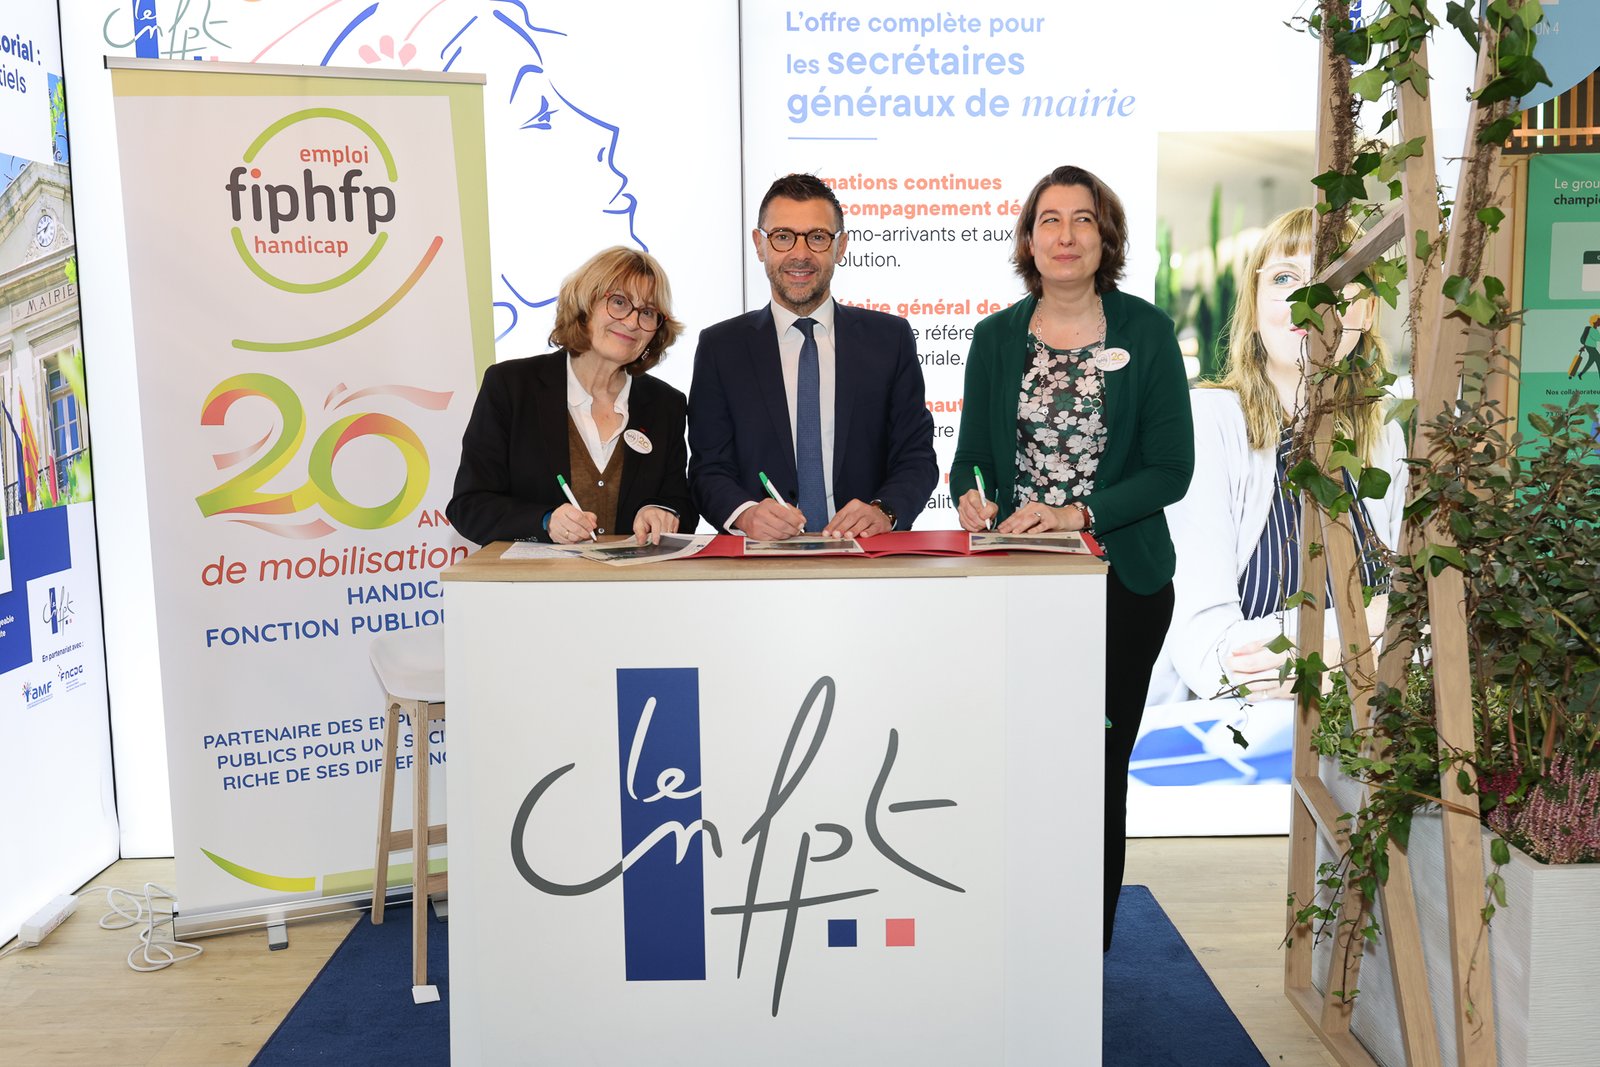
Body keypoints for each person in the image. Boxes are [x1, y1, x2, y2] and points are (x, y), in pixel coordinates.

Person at [948, 165, 1194, 951]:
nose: (1065, 235)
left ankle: (1085, 948)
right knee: (1019, 762)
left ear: (1104, 236)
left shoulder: (1146, 332)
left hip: (1122, 582)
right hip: (1021, 584)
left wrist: (1078, 513)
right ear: (1028, 240)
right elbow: (970, 459)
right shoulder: (994, 338)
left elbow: (1172, 469)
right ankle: (1013, 933)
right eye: (1048, 220)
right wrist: (972, 496)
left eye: (1082, 219)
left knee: (1096, 765)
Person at [1145, 207, 1408, 712]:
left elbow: (1418, 626)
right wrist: (1368, 634)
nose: (1310, 301)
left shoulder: (1383, 439)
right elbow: (1211, 652)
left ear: (1369, 311)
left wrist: (1312, 658)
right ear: (1255, 304)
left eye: (1341, 280)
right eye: (1286, 279)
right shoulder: (1205, 424)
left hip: (1368, 730)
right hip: (1237, 732)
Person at [688, 173, 937, 539]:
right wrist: (745, 514)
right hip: (758, 560)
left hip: (867, 557)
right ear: (759, 245)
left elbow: (916, 457)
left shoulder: (890, 339)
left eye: (817, 237)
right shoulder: (721, 347)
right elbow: (708, 468)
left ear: (841, 246)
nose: (800, 254)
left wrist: (884, 510)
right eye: (783, 236)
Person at [447, 246, 696, 545]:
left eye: (647, 312)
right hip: (534, 576)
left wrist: (662, 511)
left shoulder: (666, 404)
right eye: (619, 302)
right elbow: (469, 506)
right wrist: (544, 521)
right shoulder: (511, 387)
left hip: (636, 576)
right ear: (585, 305)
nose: (632, 322)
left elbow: (681, 504)